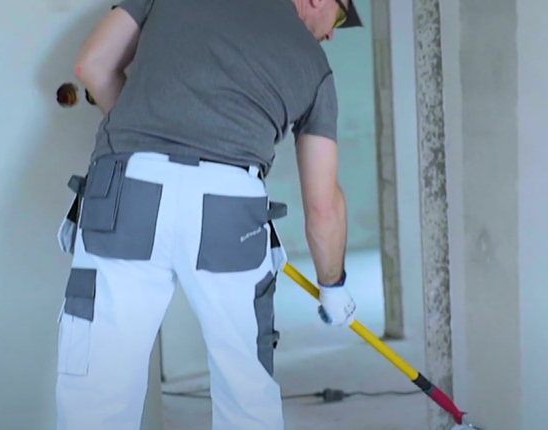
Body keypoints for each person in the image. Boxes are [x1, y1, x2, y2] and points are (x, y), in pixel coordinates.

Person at [53, 0, 362, 429]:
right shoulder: (314, 65)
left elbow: (91, 65)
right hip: (229, 207)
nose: (331, 34)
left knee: (98, 390)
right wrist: (332, 285)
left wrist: (148, 130)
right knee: (246, 390)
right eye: (340, 18)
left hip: (127, 191)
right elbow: (323, 205)